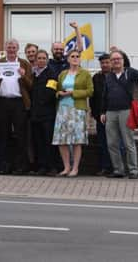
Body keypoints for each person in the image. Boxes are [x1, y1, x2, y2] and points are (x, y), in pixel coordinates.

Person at [101, 50, 138, 179]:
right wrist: (103, 112)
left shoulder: (130, 72)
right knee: (112, 143)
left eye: (118, 59)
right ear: (111, 62)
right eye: (113, 59)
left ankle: (133, 170)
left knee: (128, 142)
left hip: (126, 111)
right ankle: (118, 170)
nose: (116, 61)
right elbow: (104, 96)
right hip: (110, 112)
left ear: (123, 60)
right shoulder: (108, 77)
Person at [0, 38, 33, 175]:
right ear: (5, 48)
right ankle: (4, 165)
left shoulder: (25, 64)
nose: (11, 50)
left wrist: (23, 76)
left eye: (13, 47)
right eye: (9, 47)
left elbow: (30, 86)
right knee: (2, 135)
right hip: (3, 102)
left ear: (17, 49)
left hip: (19, 102)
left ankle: (20, 166)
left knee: (20, 135)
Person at [52, 49, 93, 177]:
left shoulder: (85, 74)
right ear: (68, 59)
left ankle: (75, 168)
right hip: (63, 109)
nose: (75, 58)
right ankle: (66, 167)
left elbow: (90, 91)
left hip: (77, 109)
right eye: (73, 56)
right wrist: (60, 93)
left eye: (77, 56)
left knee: (76, 140)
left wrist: (73, 93)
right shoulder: (62, 74)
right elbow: (57, 90)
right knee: (62, 140)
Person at [29, 49, 58, 176]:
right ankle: (41, 166)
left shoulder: (52, 73)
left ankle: (52, 166)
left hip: (47, 114)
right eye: (39, 58)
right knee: (38, 141)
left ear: (47, 60)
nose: (41, 60)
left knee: (48, 141)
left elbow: (51, 92)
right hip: (35, 114)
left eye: (43, 58)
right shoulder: (33, 74)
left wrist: (40, 102)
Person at [89, 53, 113, 176]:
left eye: (107, 62)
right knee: (103, 143)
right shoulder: (96, 78)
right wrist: (94, 113)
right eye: (102, 63)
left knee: (114, 143)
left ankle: (117, 167)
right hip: (100, 117)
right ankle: (105, 167)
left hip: (114, 115)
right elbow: (92, 97)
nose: (104, 65)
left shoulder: (116, 76)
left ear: (111, 63)